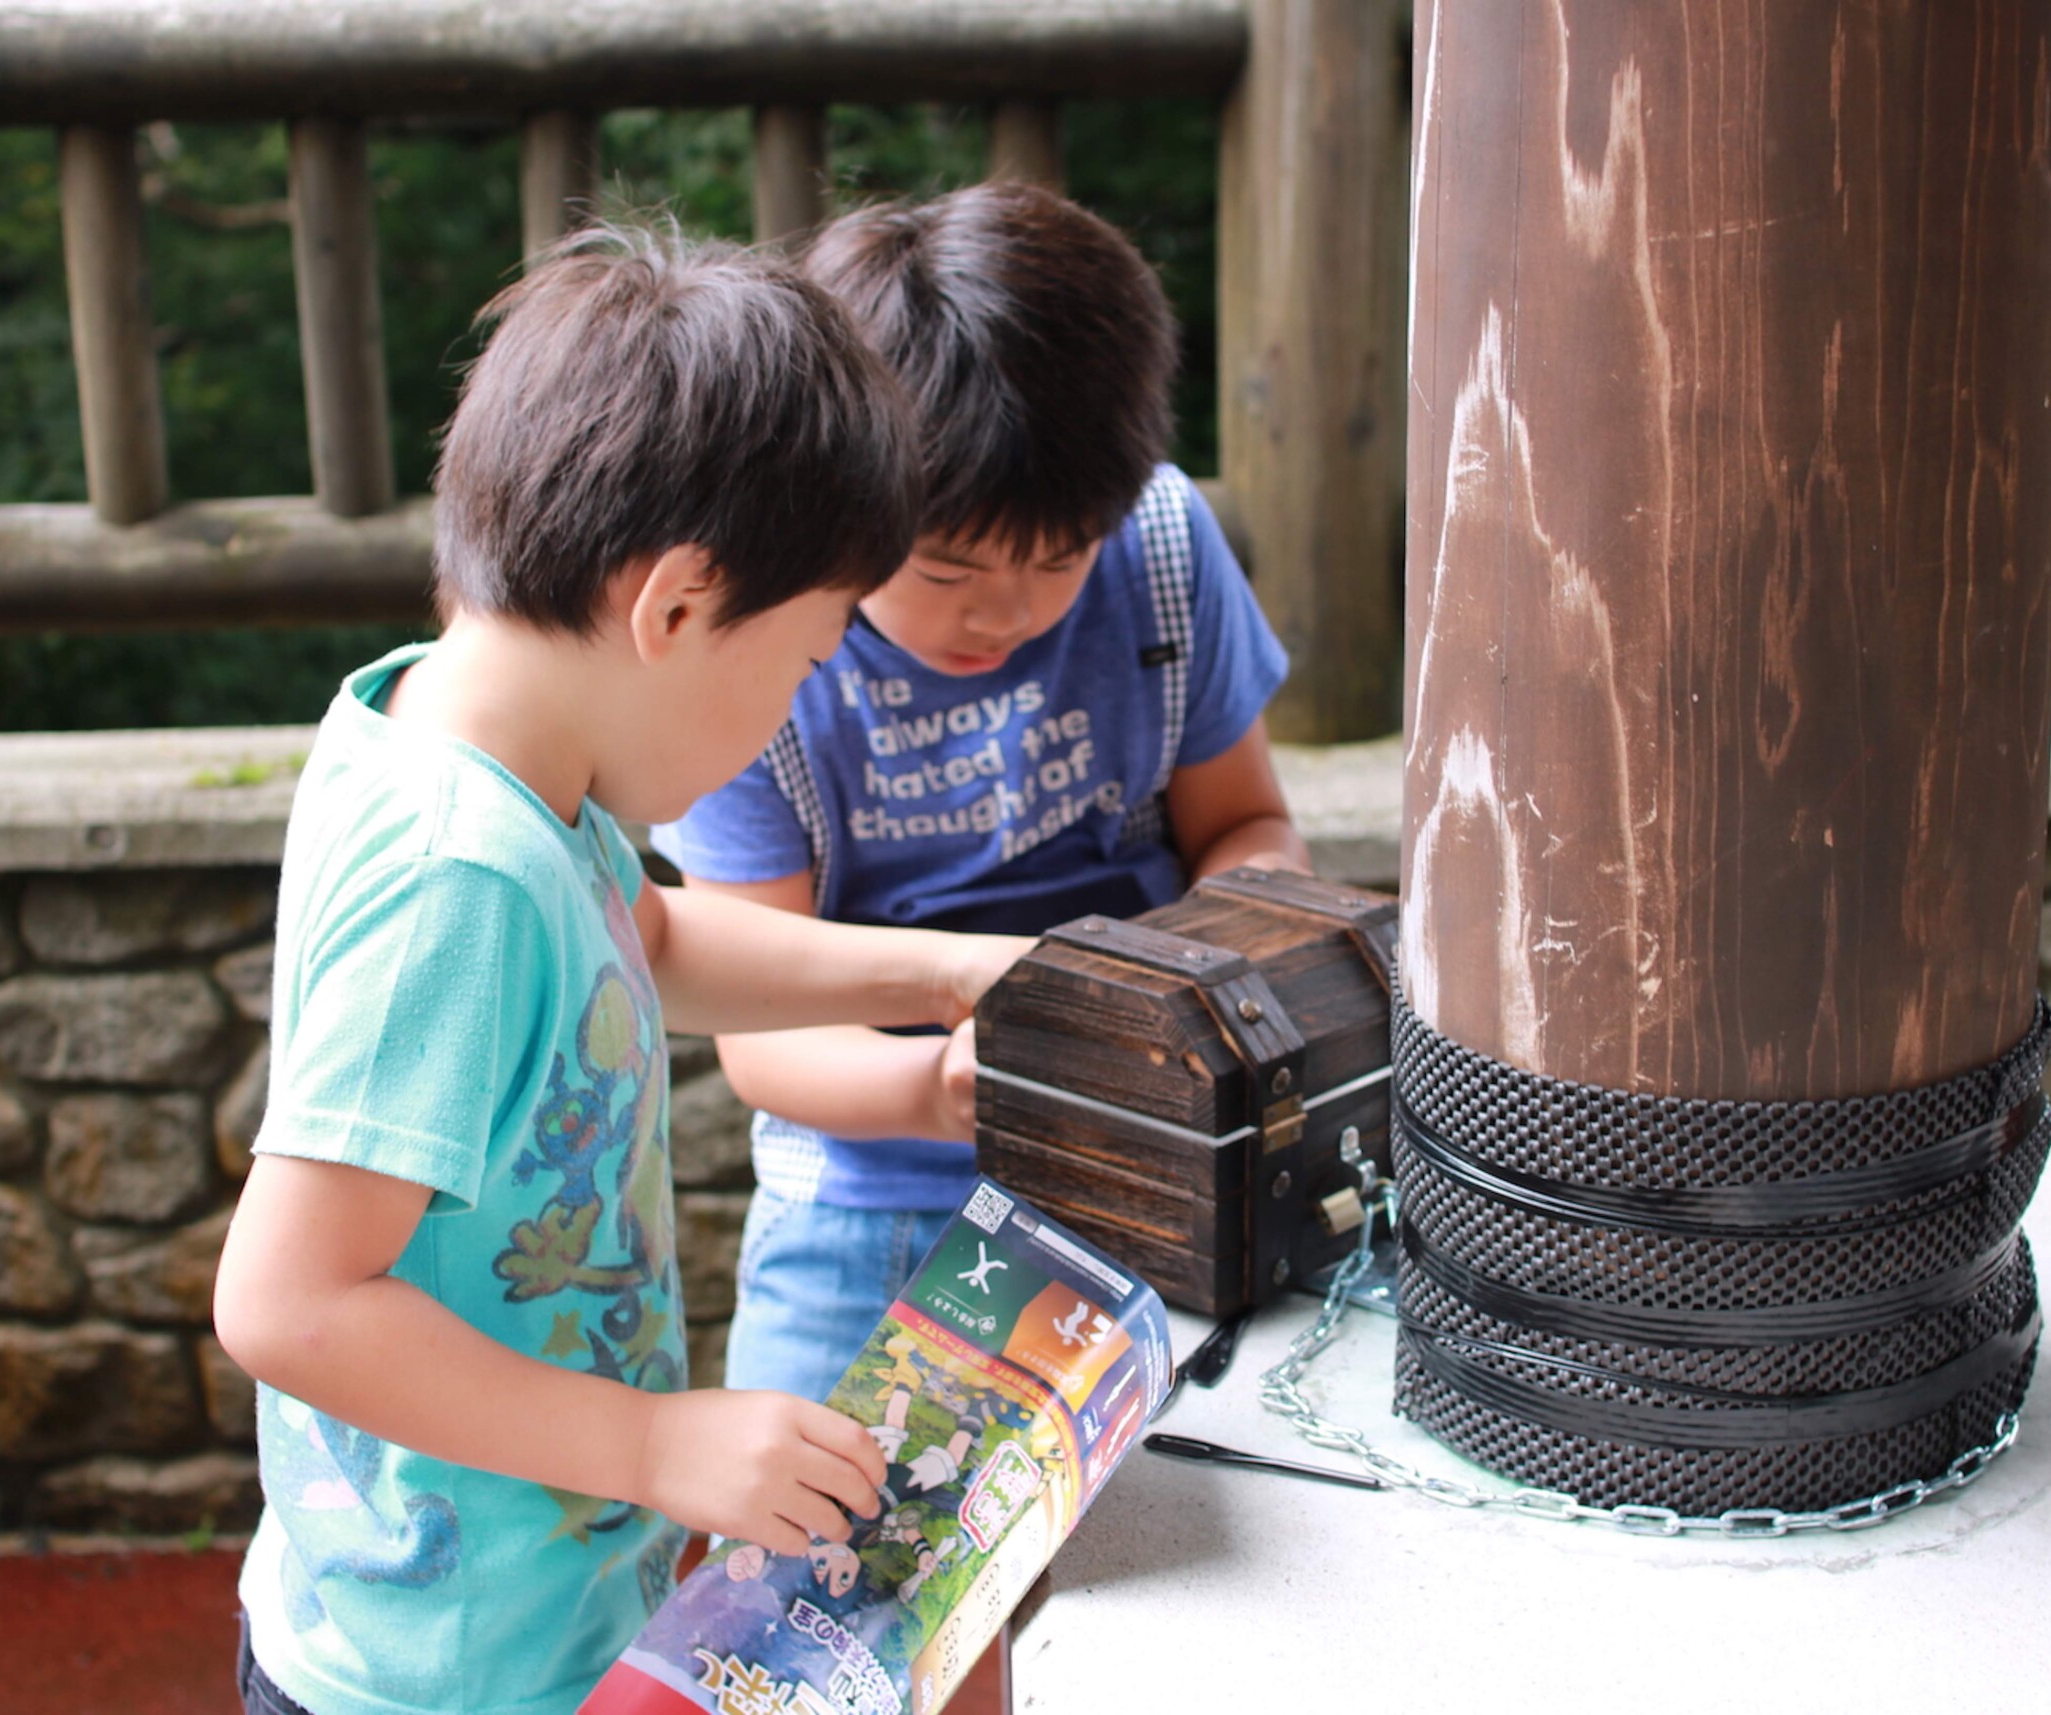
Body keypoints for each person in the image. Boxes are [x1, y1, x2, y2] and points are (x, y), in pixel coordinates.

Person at [210, 226, 1028, 1715]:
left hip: (530, 1598)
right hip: (444, 1663)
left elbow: (642, 942)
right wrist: (656, 1446)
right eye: (806, 657)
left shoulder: (494, 748)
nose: (803, 696)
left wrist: (949, 969)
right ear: (676, 606)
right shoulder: (458, 874)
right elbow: (287, 1298)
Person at [652, 181, 1310, 1405]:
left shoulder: (1161, 552)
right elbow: (757, 1013)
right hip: (869, 1185)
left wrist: (1222, 952)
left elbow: (1244, 821)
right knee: (818, 1561)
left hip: (1155, 1153)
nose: (1007, 613)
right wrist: (936, 1090)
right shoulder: (763, 648)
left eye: (1060, 559)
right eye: (946, 566)